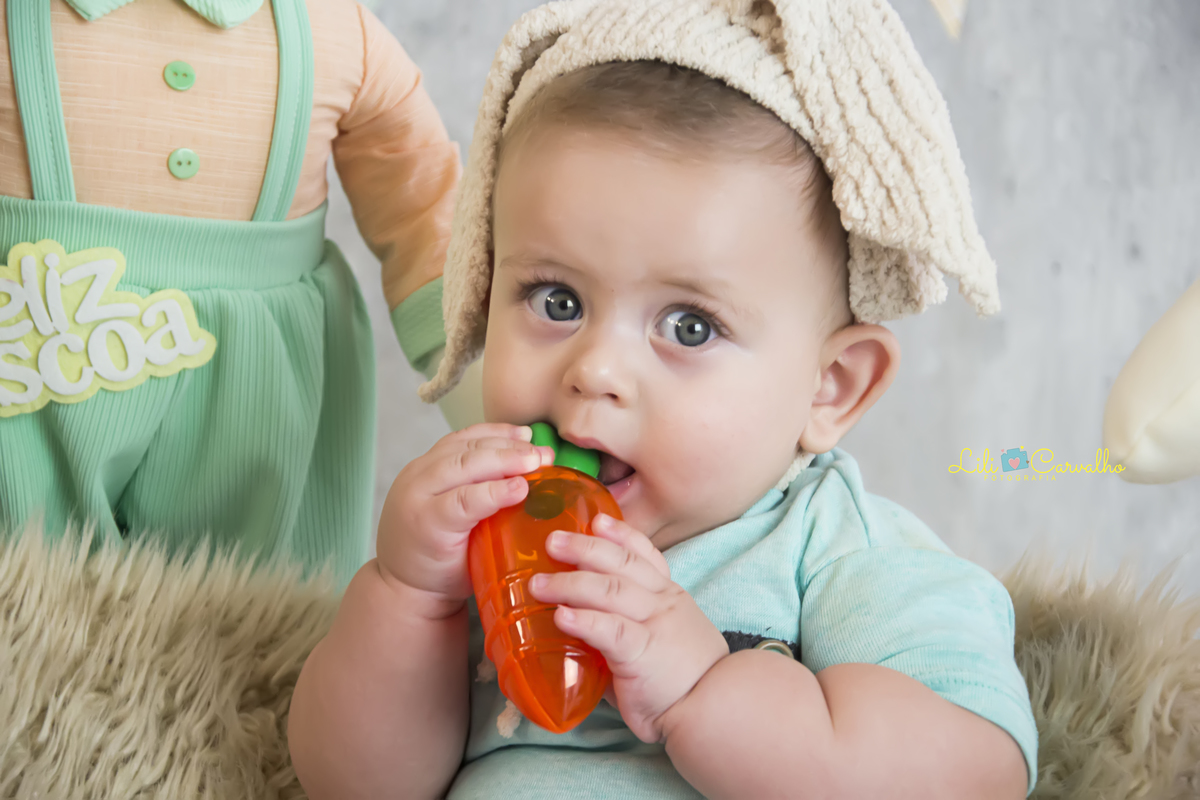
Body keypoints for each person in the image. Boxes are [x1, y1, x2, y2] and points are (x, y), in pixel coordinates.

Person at [288, 1, 1038, 796]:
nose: (595, 371)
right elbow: (353, 785)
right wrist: (408, 599)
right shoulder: (485, 536)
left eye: (688, 326)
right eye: (556, 301)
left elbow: (977, 773)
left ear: (830, 387)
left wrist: (703, 692)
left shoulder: (838, 551)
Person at [0, 0, 465, 585]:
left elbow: (429, 217)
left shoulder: (336, 33)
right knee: (26, 615)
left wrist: (486, 375)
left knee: (270, 631)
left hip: (261, 399)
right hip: (34, 359)